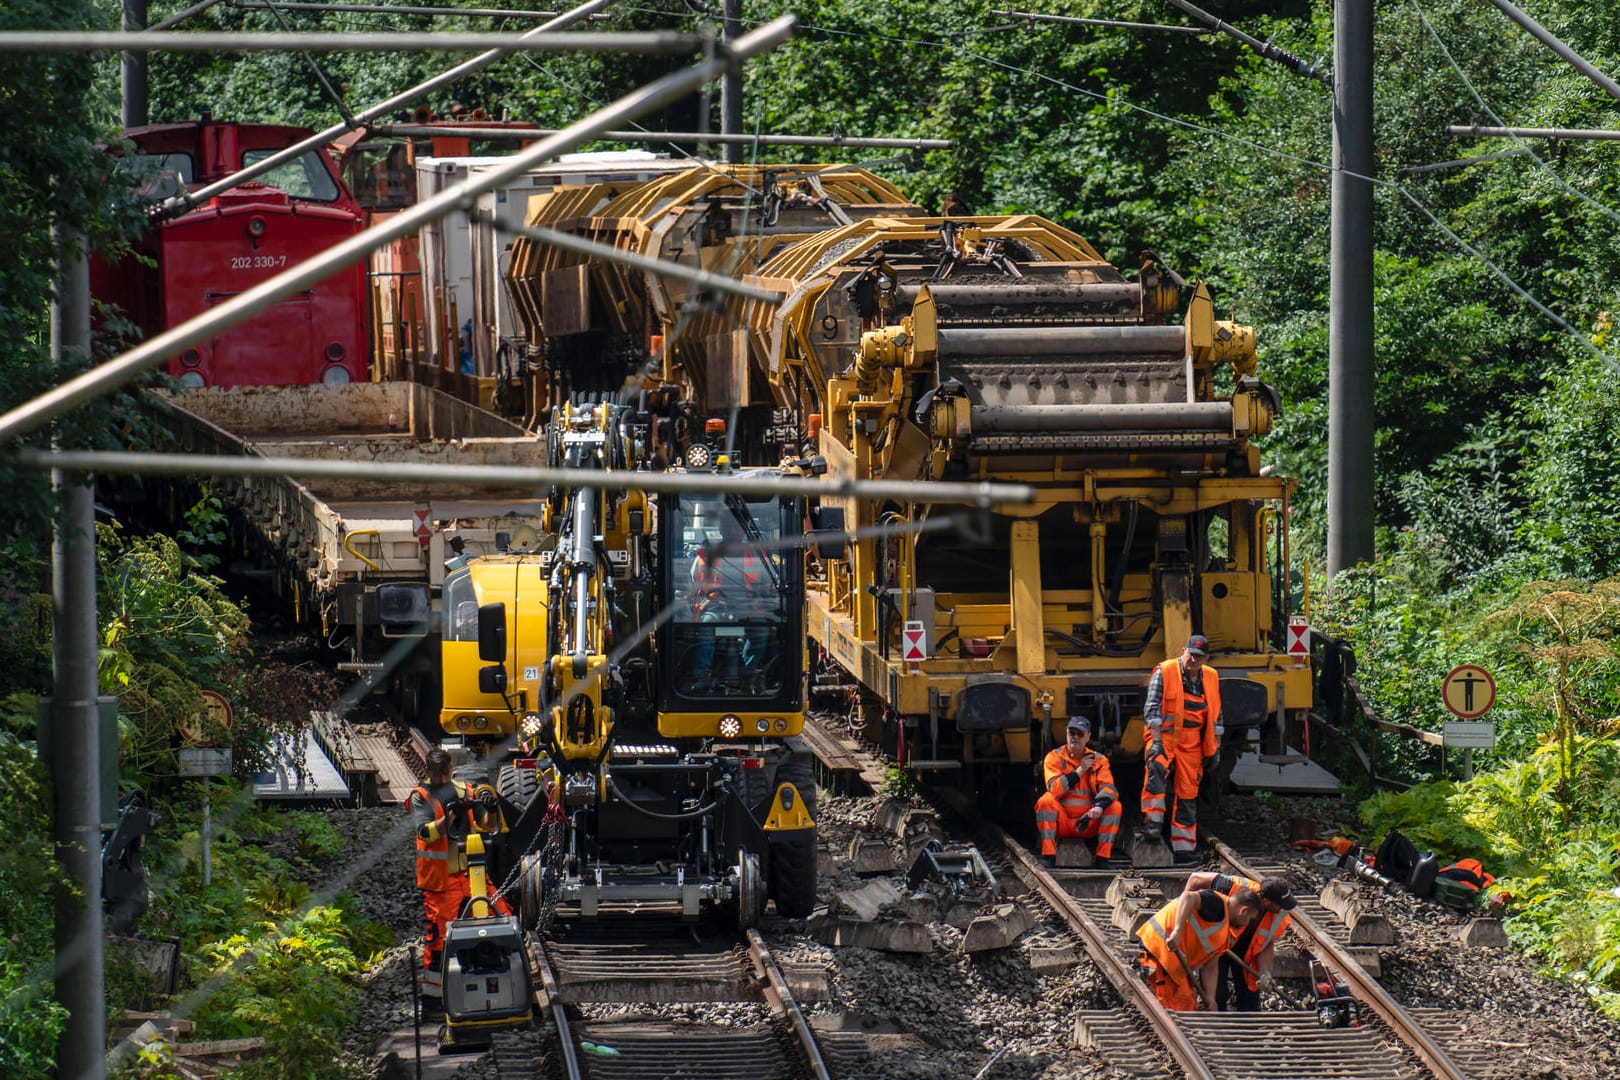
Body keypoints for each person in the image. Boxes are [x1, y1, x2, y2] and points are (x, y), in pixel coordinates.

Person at [407, 749, 500, 1007]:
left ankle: (491, 980)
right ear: (427, 771)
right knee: (439, 939)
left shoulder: (465, 791)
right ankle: (434, 999)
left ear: (450, 769)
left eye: (445, 772)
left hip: (470, 874)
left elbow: (488, 825)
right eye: (436, 774)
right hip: (439, 881)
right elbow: (425, 832)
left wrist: (490, 808)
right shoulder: (420, 797)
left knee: (496, 916)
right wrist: (448, 819)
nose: (441, 778)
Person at [1140, 634, 1223, 863]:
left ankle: (1184, 847)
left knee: (1188, 791)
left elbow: (1217, 717)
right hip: (1164, 737)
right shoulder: (1165, 671)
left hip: (1192, 741)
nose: (1193, 661)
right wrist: (1156, 742)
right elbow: (1152, 708)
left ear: (1206, 658)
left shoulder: (1211, 677)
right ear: (1183, 651)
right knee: (1156, 770)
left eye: (1198, 657)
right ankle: (1152, 824)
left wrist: (1216, 748)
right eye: (1191, 655)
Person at [1136, 881, 1261, 1011]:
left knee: (1187, 1004)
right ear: (1243, 911)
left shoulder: (1224, 929)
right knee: (1177, 1007)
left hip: (1173, 962)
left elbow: (1211, 967)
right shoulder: (1216, 903)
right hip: (1158, 949)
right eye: (1250, 919)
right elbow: (1188, 897)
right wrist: (1177, 931)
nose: (1247, 924)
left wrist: (1211, 998)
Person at [1181, 871, 1296, 1010]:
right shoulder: (1234, 888)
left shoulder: (1277, 914)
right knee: (1216, 995)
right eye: (1280, 904)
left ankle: (1249, 1027)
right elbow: (1195, 878)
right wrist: (1183, 913)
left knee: (1250, 1001)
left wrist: (1265, 971)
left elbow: (1267, 943)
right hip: (1219, 946)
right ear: (1266, 901)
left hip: (1246, 953)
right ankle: (1216, 1026)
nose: (1282, 908)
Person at [1035, 716, 1121, 867]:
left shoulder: (1099, 760)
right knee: (1045, 801)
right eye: (1071, 733)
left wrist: (1099, 807)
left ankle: (1103, 858)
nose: (1075, 737)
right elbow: (1054, 789)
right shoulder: (1054, 757)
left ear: (1088, 736)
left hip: (1087, 821)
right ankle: (1049, 855)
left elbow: (1109, 788)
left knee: (1115, 807)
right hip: (1062, 823)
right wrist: (1080, 771)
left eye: (1079, 734)